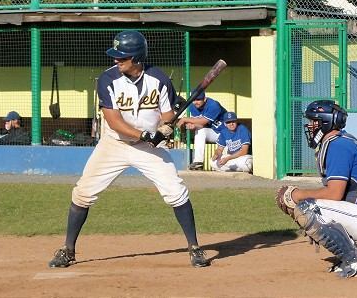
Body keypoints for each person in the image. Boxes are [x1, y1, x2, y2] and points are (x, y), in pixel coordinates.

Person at [48, 30, 210, 269]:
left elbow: (167, 116)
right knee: (82, 193)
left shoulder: (160, 80)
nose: (116, 60)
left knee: (176, 192)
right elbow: (114, 122)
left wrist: (167, 128)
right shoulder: (107, 80)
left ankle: (195, 248)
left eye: (121, 57)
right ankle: (68, 250)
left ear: (136, 58)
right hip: (114, 144)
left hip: (147, 149)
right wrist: (146, 135)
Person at [275, 100, 357, 278]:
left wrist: (297, 195)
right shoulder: (338, 142)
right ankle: (348, 255)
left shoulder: (338, 145)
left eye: (314, 121)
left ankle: (356, 257)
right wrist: (315, 225)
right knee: (311, 208)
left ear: (326, 122)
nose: (310, 125)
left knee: (309, 208)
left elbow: (334, 194)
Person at [176, 89, 227, 170]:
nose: (196, 102)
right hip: (214, 133)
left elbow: (203, 121)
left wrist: (184, 119)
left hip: (226, 134)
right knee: (200, 131)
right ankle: (198, 162)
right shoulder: (192, 106)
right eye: (194, 100)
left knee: (225, 164)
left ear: (204, 99)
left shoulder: (213, 105)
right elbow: (199, 124)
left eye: (198, 99)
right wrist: (193, 126)